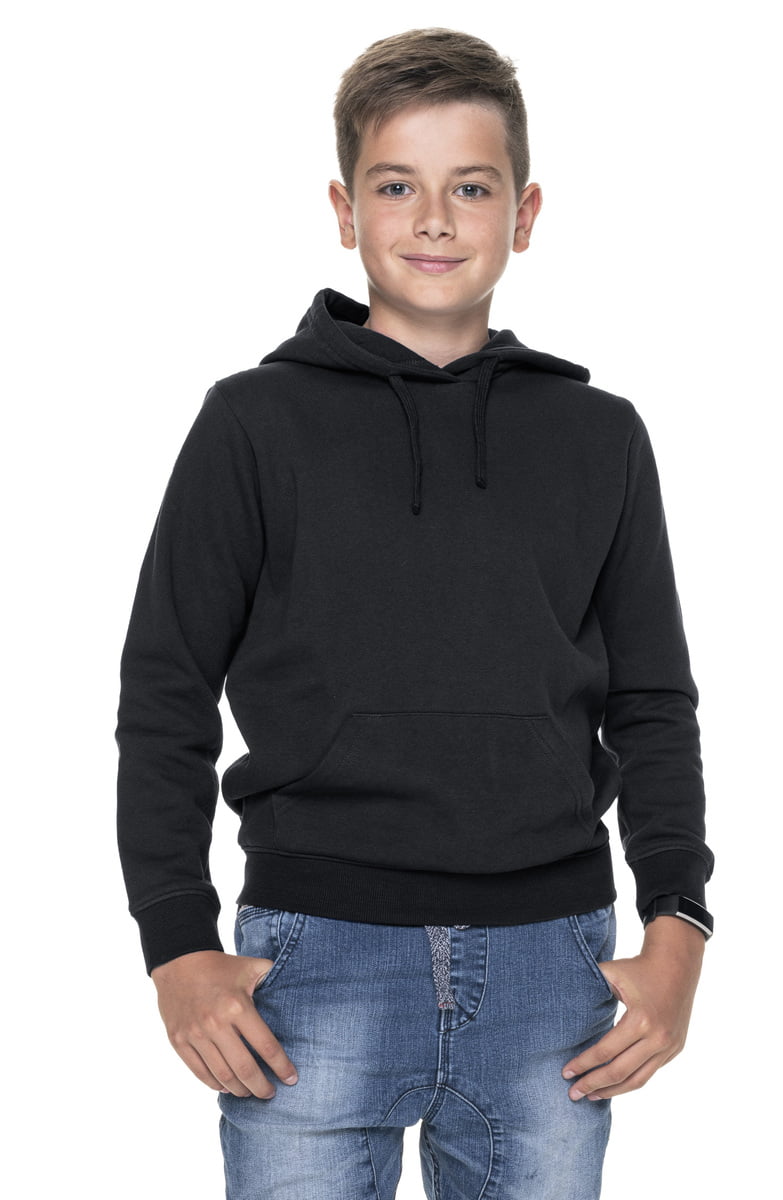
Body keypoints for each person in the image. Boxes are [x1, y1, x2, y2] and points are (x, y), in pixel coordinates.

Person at [116, 27, 714, 1200]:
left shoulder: (600, 437)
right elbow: (166, 690)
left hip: (552, 968)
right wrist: (176, 939)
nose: (434, 219)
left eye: (471, 188)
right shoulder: (253, 424)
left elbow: (654, 701)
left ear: (524, 214)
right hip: (313, 959)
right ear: (345, 210)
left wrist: (680, 922)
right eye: (397, 186)